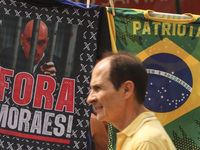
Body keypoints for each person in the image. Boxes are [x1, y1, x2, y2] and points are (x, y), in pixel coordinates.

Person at [87, 52, 176, 150]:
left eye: (98, 88)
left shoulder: (145, 142)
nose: (90, 99)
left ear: (126, 90)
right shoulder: (138, 138)